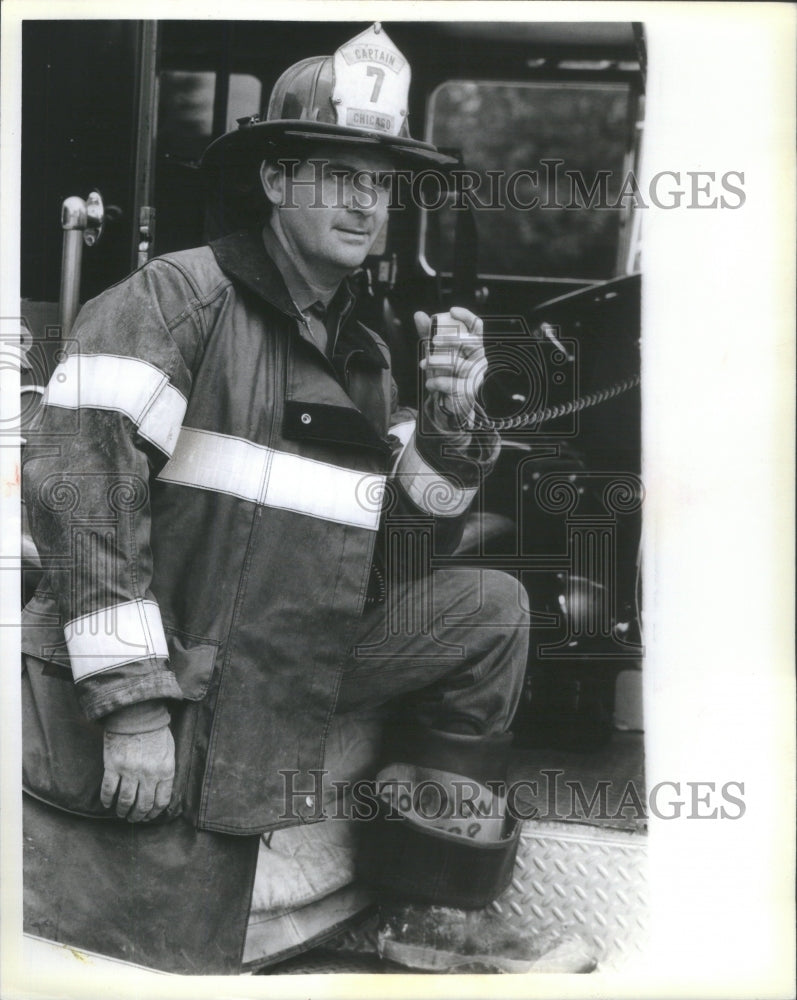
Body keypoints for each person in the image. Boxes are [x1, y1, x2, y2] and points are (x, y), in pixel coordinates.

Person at [21, 23, 593, 974]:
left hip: (285, 649)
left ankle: (424, 909)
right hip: (190, 655)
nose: (364, 201)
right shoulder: (174, 299)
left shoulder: (362, 351)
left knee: (489, 608)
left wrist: (452, 419)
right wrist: (129, 706)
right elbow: (79, 488)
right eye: (337, 173)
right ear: (275, 181)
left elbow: (402, 546)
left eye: (378, 182)